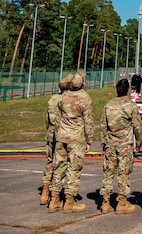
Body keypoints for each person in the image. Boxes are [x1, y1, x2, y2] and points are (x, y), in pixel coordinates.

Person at [48, 70, 94, 213]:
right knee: (74, 169)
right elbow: (88, 121)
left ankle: (54, 200)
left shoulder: (64, 96)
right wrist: (89, 139)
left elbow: (56, 117)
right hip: (76, 138)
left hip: (61, 136)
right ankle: (69, 202)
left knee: (59, 168)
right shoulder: (85, 98)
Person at [99, 78, 142, 214]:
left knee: (108, 172)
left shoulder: (108, 105)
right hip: (124, 145)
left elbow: (103, 126)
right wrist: (139, 141)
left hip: (110, 143)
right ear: (128, 90)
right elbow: (137, 126)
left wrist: (103, 142)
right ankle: (121, 203)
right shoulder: (130, 106)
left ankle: (105, 202)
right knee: (123, 173)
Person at [39, 75, 73, 205]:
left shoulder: (52, 99)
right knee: (61, 164)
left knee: (49, 162)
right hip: (62, 135)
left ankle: (45, 191)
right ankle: (56, 193)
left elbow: (47, 120)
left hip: (51, 133)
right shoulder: (67, 100)